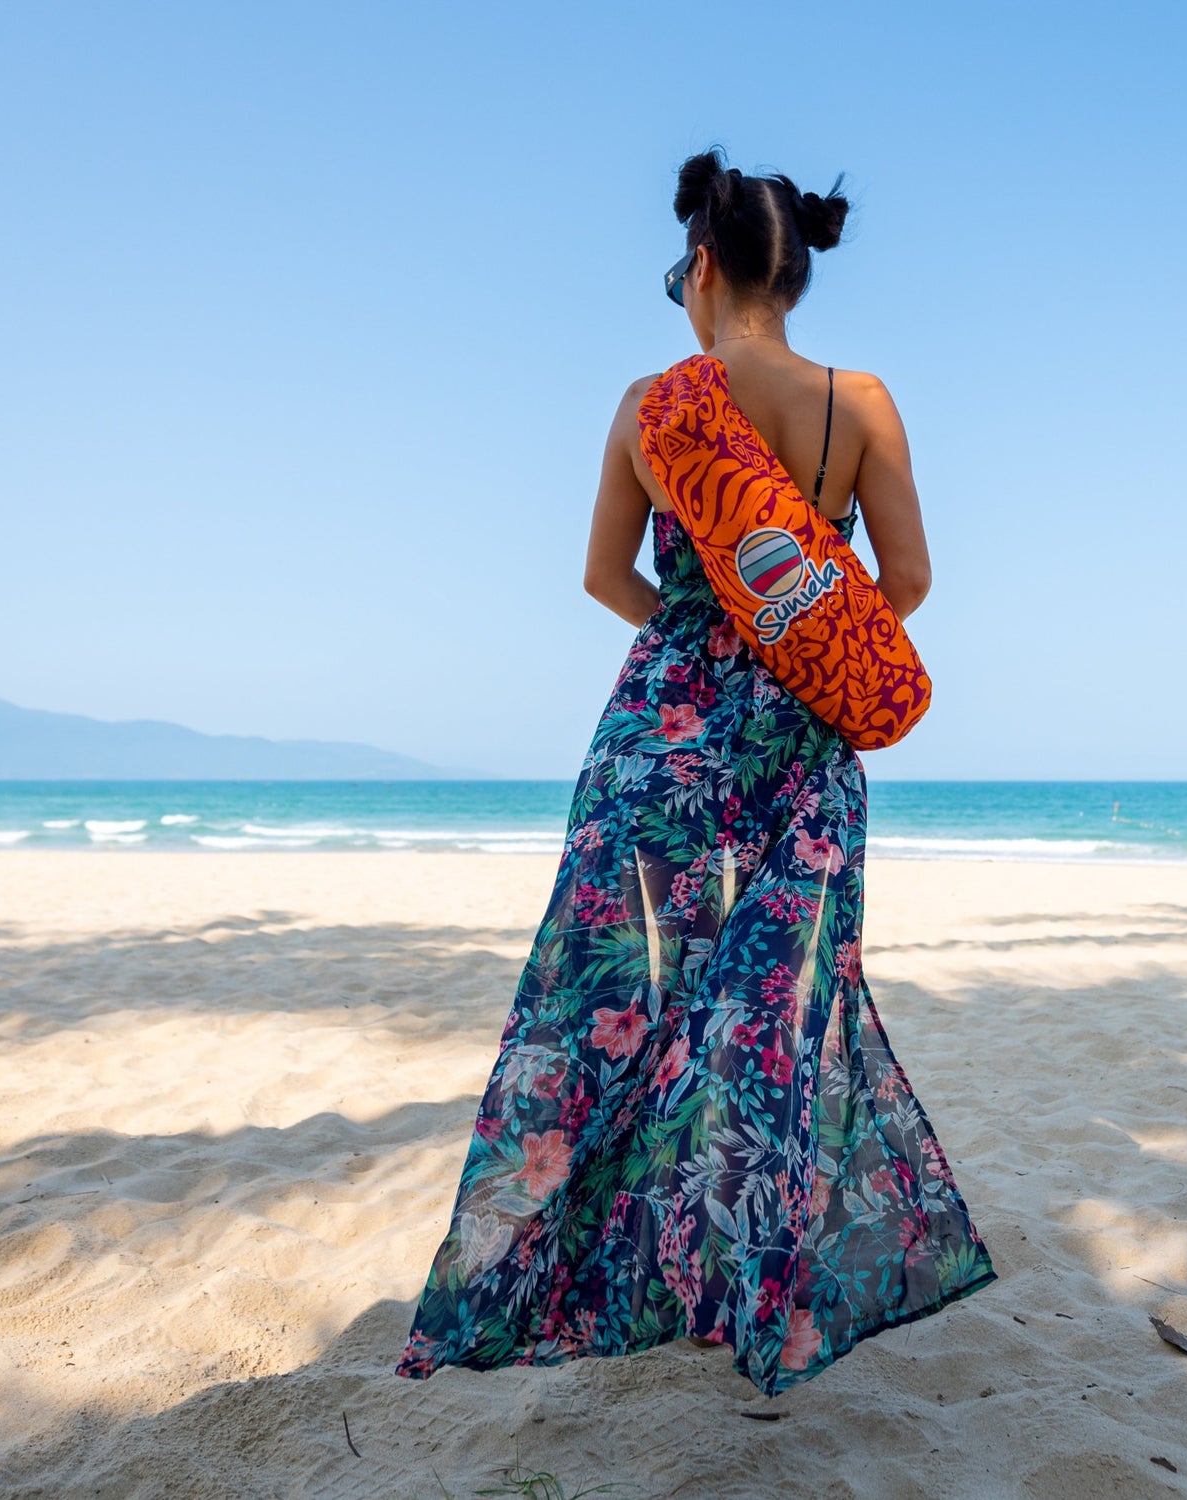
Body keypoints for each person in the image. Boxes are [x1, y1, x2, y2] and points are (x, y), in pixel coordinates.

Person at [395, 147, 995, 1398]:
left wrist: (700, 640)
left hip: (661, 747)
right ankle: (750, 1297)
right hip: (799, 750)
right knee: (772, 1022)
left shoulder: (650, 406)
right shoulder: (863, 402)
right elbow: (910, 582)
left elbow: (604, 577)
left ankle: (548, 1281)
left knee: (608, 1010)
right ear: (796, 275)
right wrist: (796, 643)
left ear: (705, 267)